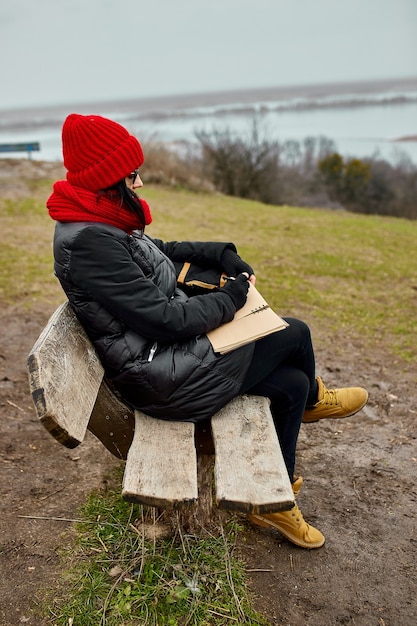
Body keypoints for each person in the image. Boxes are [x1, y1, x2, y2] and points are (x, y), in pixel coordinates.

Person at [47, 113, 368, 549]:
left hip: (167, 357)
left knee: (289, 384)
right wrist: (233, 297)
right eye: (130, 175)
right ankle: (315, 400)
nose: (138, 184)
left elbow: (162, 254)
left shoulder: (100, 222)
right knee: (294, 333)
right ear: (105, 179)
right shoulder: (88, 241)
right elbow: (165, 318)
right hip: (160, 378)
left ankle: (274, 502)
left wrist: (223, 257)